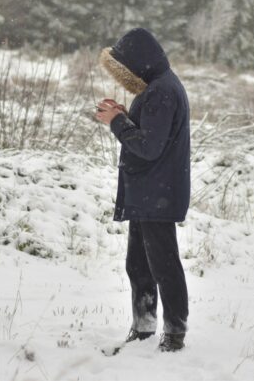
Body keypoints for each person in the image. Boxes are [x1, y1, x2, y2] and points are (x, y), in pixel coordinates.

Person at [95, 27, 190, 353]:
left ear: (139, 64)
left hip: (156, 195)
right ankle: (144, 327)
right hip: (151, 193)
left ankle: (174, 334)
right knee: (139, 264)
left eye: (126, 70)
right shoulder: (159, 87)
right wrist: (123, 114)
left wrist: (116, 122)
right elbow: (152, 135)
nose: (126, 77)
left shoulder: (160, 92)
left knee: (163, 266)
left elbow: (149, 147)